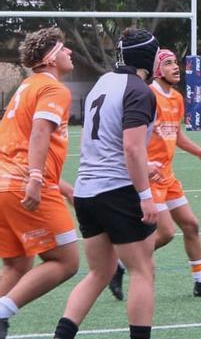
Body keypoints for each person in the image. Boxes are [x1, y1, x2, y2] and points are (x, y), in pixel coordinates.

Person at [54, 28, 160, 339]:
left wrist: (142, 165)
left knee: (99, 273)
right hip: (117, 191)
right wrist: (144, 193)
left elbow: (109, 141)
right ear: (148, 58)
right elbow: (131, 148)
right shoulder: (140, 91)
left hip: (87, 191)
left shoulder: (104, 82)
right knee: (143, 271)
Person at [108, 49, 201, 299]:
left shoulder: (175, 98)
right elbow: (130, 138)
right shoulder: (145, 95)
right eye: (168, 63)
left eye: (176, 63)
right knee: (165, 233)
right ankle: (119, 265)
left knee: (191, 225)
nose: (176, 67)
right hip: (150, 175)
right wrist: (144, 164)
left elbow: (176, 135)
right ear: (156, 69)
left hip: (168, 176)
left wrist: (199, 153)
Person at [0, 28, 80, 339]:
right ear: (50, 58)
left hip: (5, 185)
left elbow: (16, 141)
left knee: (18, 266)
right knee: (66, 261)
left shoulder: (26, 86)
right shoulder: (53, 89)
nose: (70, 53)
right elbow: (39, 133)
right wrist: (35, 178)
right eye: (64, 49)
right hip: (26, 185)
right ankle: (3, 313)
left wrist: (64, 186)